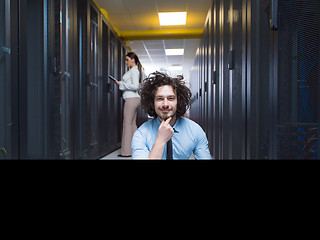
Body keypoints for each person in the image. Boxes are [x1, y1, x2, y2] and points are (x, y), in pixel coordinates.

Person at [131, 72, 212, 160]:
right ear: (152, 102)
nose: (165, 104)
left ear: (178, 101)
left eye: (171, 98)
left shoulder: (195, 130)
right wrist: (161, 140)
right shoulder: (141, 134)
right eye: (160, 99)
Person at [114, 52, 143, 157]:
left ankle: (126, 152)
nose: (126, 62)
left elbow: (135, 86)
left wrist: (121, 84)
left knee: (127, 124)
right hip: (133, 99)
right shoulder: (133, 71)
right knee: (132, 124)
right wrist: (122, 83)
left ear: (133, 60)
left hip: (131, 99)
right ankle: (137, 148)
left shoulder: (134, 71)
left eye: (127, 60)